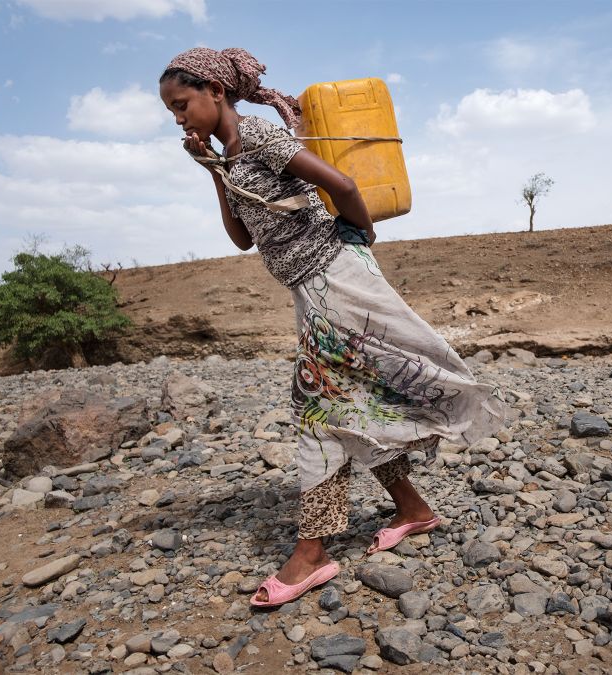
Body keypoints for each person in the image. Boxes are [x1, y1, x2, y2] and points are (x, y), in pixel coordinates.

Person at [158, 47, 506, 608]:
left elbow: (342, 186)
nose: (178, 117)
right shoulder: (232, 152)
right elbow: (243, 237)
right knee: (350, 402)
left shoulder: (263, 137)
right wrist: (213, 170)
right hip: (310, 291)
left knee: (317, 409)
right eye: (171, 111)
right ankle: (413, 510)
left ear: (215, 92)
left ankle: (312, 551)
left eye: (182, 103)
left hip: (334, 276)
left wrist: (360, 242)